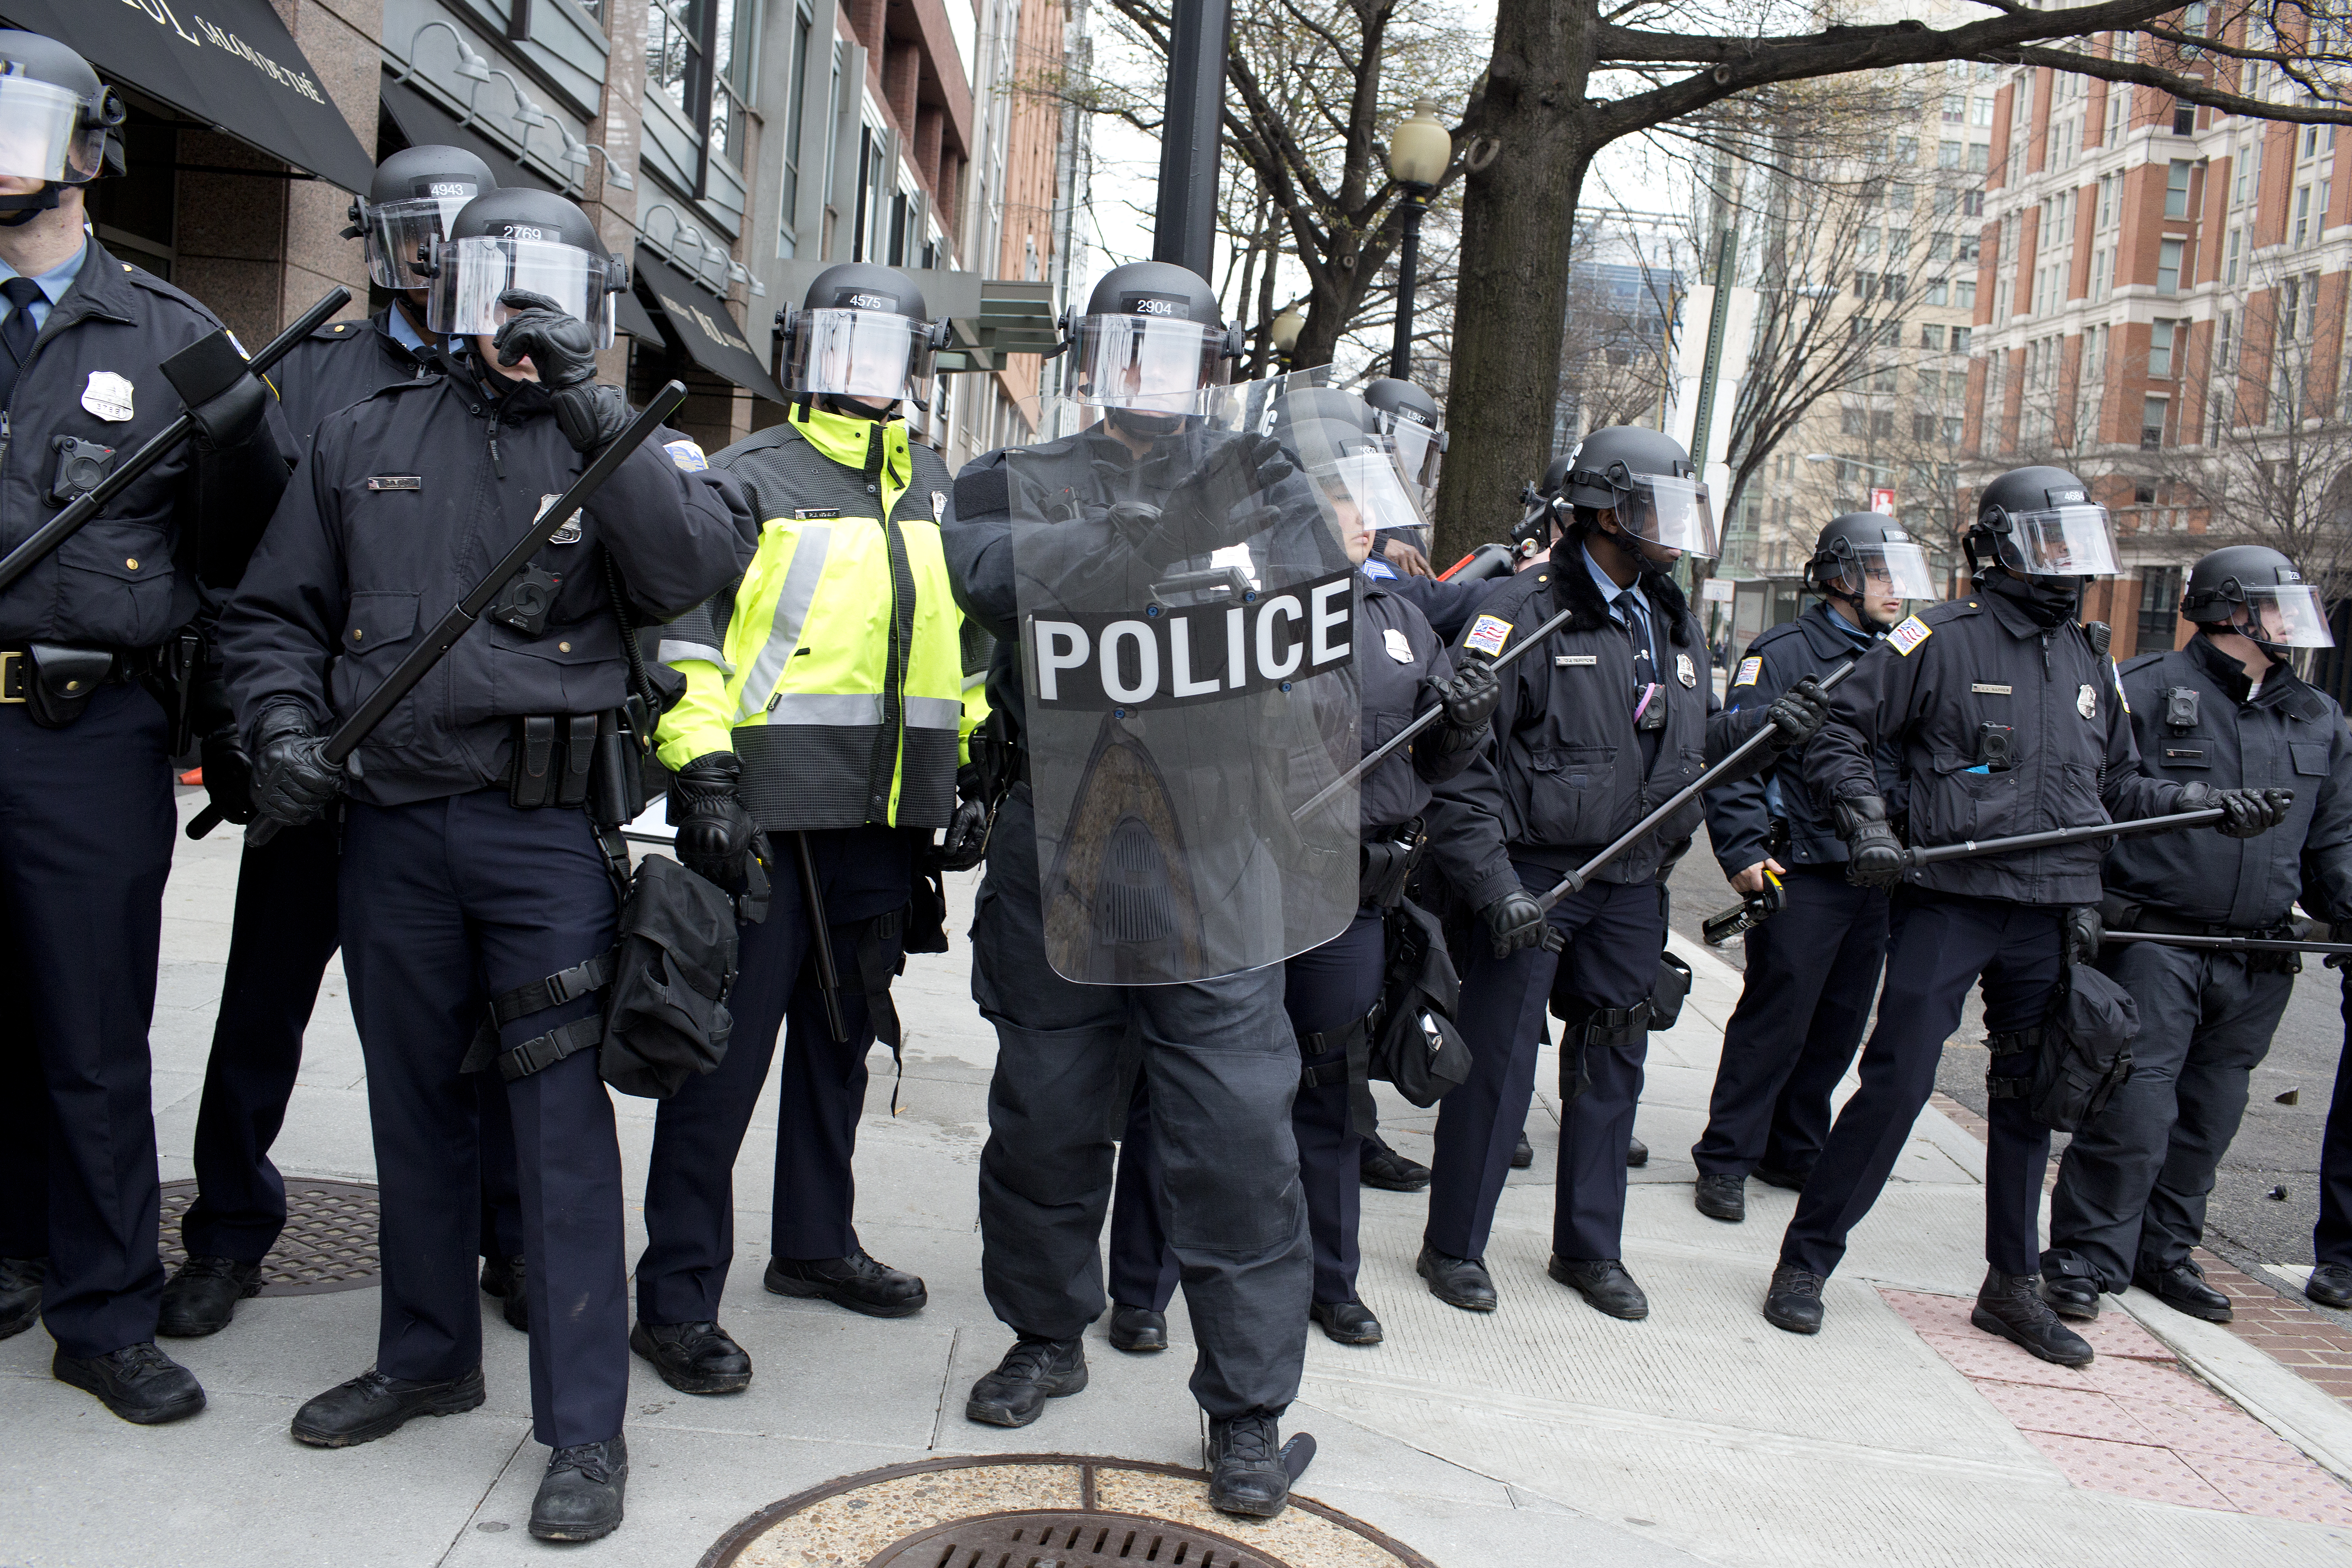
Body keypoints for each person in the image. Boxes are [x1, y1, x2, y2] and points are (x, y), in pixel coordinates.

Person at [219, 186, 752, 1541]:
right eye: (487, 280)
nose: (510, 308)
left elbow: (689, 569)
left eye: (545, 285)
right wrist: (279, 724)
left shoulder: (627, 444)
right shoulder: (362, 432)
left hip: (541, 840)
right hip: (391, 832)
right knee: (412, 1109)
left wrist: (591, 410)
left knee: (560, 1136)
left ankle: (584, 1428)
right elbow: (278, 615)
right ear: (440, 287)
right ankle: (425, 1356)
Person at [942, 260, 1357, 1519]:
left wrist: (1200, 552)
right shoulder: (1009, 476)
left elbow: (1314, 602)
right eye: (1126, 349)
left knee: (1235, 1138)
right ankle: (1046, 1333)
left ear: (1212, 370)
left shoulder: (1261, 477)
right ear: (1087, 356)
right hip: (1063, 832)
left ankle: (1247, 1410)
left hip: (1218, 843)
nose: (1148, 376)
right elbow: (982, 574)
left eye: (1173, 356)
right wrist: (1120, 546)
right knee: (1048, 1118)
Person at [1771, 465, 2287, 1363]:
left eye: (2078, 547)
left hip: (2052, 908)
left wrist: (2211, 799)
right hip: (1953, 903)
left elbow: (2117, 782)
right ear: (2000, 547)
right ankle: (1807, 1262)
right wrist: (1868, 824)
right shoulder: (1937, 637)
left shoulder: (2089, 655)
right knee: (1898, 1081)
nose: (2069, 566)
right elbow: (1838, 732)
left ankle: (2013, 1285)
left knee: (2030, 1097)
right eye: (2052, 545)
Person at [162, 143, 535, 1341]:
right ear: (378, 247)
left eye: (454, 235)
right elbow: (249, 582)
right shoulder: (315, 382)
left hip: (442, 777)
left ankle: (509, 1237)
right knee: (263, 1000)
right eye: (411, 235)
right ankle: (226, 1230)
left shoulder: (526, 378)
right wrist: (251, 733)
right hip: (309, 764)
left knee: (481, 1020)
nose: (433, 258)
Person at [1099, 413, 1532, 1353]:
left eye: (1368, 509)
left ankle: (1328, 1281)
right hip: (1236, 885)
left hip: (1348, 900)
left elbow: (1436, 770)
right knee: (1188, 1085)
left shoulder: (1402, 620)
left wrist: (1461, 719)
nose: (1362, 524)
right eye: (1341, 503)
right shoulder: (1234, 607)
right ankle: (1142, 1285)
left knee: (1329, 1091)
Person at [0, 28, 286, 1421]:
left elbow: (239, 556)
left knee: (89, 1032)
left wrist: (233, 725)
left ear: (86, 149)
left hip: (84, 734)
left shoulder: (177, 342)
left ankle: (101, 1307)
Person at [628, 263, 974, 1395]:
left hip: (879, 830)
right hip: (763, 820)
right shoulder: (747, 479)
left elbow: (963, 655)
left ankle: (816, 1244)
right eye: (845, 348)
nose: (867, 374)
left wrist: (968, 771)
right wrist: (707, 777)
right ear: (801, 355)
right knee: (716, 1067)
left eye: (889, 353)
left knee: (841, 1050)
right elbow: (685, 645)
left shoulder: (934, 489)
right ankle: (676, 1300)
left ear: (918, 369)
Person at [1415, 427, 1828, 1321]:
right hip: (1535, 879)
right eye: (1655, 510)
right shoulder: (1522, 613)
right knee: (1494, 1072)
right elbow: (1460, 773)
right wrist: (1496, 889)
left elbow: (1678, 747)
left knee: (1613, 1065)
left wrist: (1756, 733)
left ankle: (1588, 1250)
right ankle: (1454, 1245)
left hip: (1634, 883)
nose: (1672, 530)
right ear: (1604, 511)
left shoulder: (1669, 615)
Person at [2042, 546, 2352, 1322]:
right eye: (2276, 609)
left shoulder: (2316, 716)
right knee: (2133, 1111)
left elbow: (2334, 846)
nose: (2290, 626)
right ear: (2229, 611)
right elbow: (2097, 792)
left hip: (2257, 956)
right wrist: (2187, 797)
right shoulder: (2142, 690)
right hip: (2156, 942)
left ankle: (2165, 1254)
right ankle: (2085, 1257)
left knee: (2209, 1116)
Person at [1690, 514, 1934, 1222]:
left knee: (1839, 1021)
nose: (1897, 590)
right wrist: (1741, 851)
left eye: (1900, 575)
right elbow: (1733, 761)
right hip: (1799, 863)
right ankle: (1728, 1156)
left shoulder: (1904, 652)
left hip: (1873, 870)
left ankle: (1793, 1146)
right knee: (1778, 1016)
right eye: (1882, 574)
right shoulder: (1785, 651)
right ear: (1839, 578)